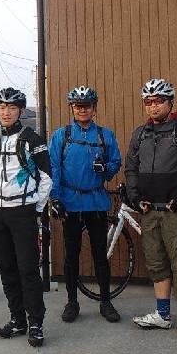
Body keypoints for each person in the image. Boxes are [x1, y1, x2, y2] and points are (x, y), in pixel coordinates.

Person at [126, 79, 177, 337]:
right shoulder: (140, 134)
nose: (153, 106)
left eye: (159, 101)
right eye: (148, 102)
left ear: (170, 102)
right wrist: (135, 197)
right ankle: (162, 315)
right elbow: (131, 169)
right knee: (156, 262)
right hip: (149, 211)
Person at [0, 88, 52, 347]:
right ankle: (18, 319)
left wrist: (37, 208)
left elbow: (46, 176)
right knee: (5, 267)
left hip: (24, 211)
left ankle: (36, 323)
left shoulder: (32, 139)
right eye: (1, 107)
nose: (6, 112)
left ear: (20, 111)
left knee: (28, 269)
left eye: (11, 107)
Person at [47, 85, 122, 324]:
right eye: (78, 106)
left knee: (100, 254)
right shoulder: (62, 135)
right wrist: (55, 198)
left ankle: (106, 302)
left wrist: (106, 168)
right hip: (70, 202)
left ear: (94, 108)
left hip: (96, 201)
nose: (82, 110)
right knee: (71, 255)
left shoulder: (105, 135)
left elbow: (116, 162)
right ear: (72, 108)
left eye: (86, 106)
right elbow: (53, 168)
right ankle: (72, 302)